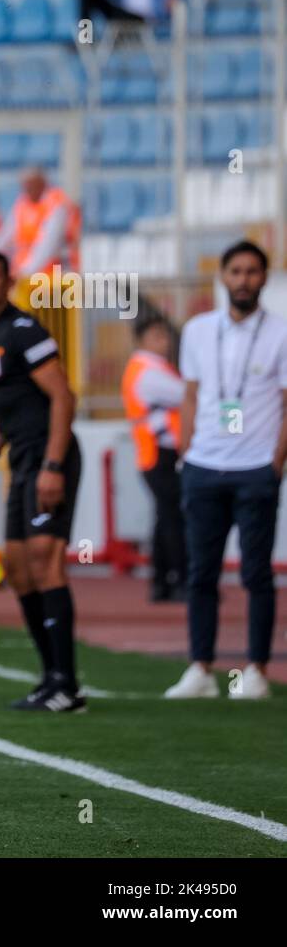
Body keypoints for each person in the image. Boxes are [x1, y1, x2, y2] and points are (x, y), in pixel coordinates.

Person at [166, 240, 286, 700]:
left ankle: (255, 670)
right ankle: (200, 668)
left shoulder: (280, 332)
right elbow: (192, 394)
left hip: (256, 468)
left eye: (252, 271)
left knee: (256, 573)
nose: (243, 279)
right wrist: (185, 452)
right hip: (202, 465)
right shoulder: (197, 330)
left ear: (264, 277)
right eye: (235, 271)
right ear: (222, 276)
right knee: (201, 573)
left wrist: (276, 463)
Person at [0, 248, 85, 711]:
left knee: (44, 559)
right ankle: (49, 677)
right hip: (23, 459)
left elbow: (63, 397)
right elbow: (10, 418)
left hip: (48, 460)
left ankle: (67, 685)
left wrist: (53, 467)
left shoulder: (22, 330)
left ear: (7, 281)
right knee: (17, 567)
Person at [121, 314, 186, 602]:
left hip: (158, 452)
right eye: (158, 335)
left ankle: (161, 581)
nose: (166, 340)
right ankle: (181, 579)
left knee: (165, 517)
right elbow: (189, 395)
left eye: (166, 334)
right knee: (174, 518)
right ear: (143, 340)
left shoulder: (153, 368)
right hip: (159, 452)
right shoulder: (148, 370)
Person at [0, 168, 81, 284]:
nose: (27, 190)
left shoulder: (56, 204)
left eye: (31, 185)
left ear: (42, 184)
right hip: (27, 274)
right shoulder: (22, 203)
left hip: (54, 276)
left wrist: (25, 272)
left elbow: (48, 245)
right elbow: (4, 236)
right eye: (24, 186)